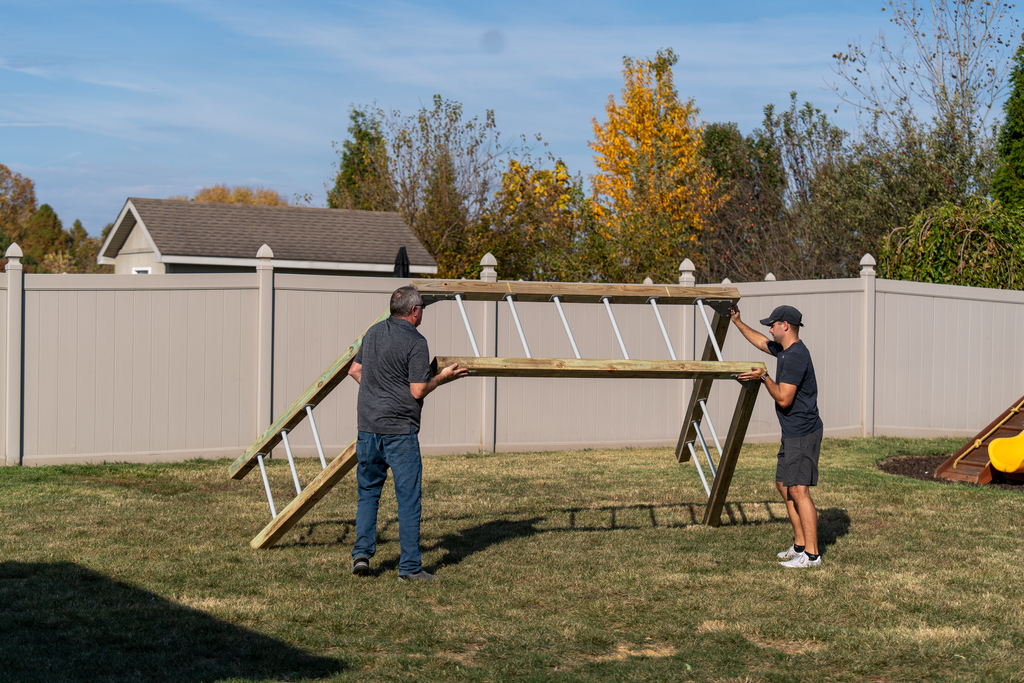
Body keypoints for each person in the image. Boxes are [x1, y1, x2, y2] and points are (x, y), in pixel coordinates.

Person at [347, 286, 468, 582]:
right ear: (414, 311)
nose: (422, 312)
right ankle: (410, 568)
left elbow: (354, 370)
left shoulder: (373, 332)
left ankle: (361, 554)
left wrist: (378, 392)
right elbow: (417, 389)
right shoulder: (416, 341)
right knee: (408, 499)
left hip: (367, 428)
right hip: (399, 431)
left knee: (368, 493)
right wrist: (442, 377)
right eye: (422, 307)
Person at [731, 304, 824, 568]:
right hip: (792, 431)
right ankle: (800, 546)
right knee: (784, 485)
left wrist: (764, 377)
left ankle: (813, 556)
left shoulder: (795, 357)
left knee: (798, 489)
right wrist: (738, 322)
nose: (769, 329)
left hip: (803, 432)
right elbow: (760, 342)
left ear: (786, 326)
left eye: (773, 324)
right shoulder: (784, 351)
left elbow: (784, 398)